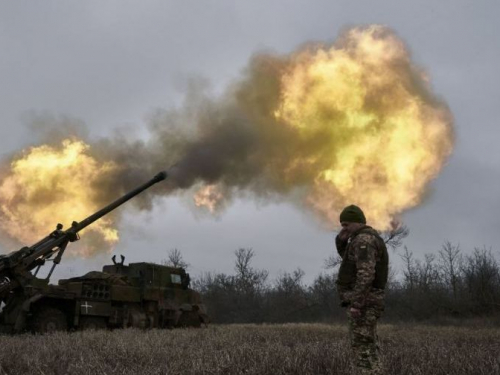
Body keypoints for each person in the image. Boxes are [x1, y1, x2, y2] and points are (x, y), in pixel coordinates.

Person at [335, 205, 388, 374]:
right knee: (368, 348)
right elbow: (350, 261)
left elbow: (365, 274)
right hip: (368, 301)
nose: (344, 228)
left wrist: (357, 303)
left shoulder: (364, 240)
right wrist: (341, 241)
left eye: (346, 224)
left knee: (363, 350)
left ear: (357, 223)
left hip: (365, 303)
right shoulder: (362, 239)